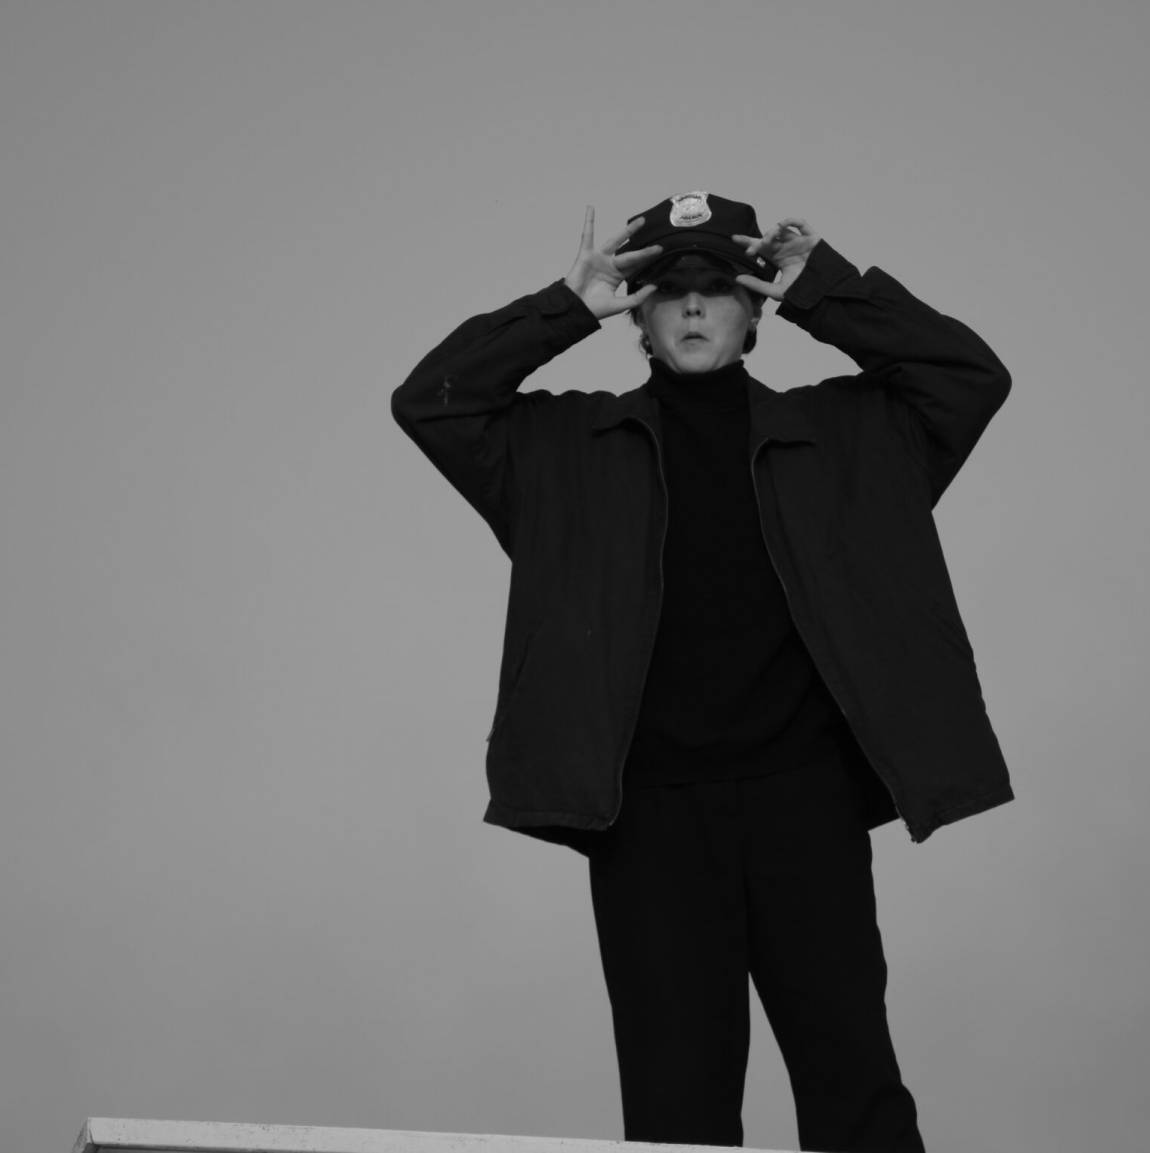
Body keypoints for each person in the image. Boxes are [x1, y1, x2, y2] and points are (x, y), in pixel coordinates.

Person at [390, 191, 1015, 1151]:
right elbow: (432, 400)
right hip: (647, 818)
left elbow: (967, 377)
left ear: (754, 309)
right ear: (636, 317)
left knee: (854, 1084)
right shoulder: (561, 452)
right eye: (667, 287)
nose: (691, 304)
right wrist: (563, 306)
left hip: (803, 801)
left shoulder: (851, 438)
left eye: (717, 286)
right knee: (675, 1110)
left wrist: (827, 289)